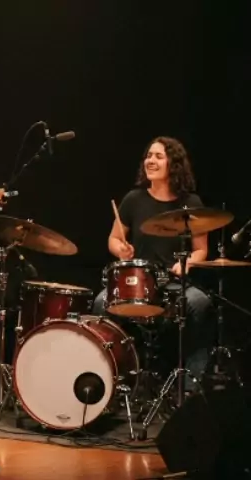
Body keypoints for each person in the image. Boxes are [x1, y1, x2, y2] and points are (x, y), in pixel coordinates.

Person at [92, 136, 214, 393]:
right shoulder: (133, 199)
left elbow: (201, 250)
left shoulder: (190, 203)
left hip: (175, 282)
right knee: (102, 302)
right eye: (148, 156)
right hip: (138, 281)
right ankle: (112, 381)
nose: (150, 160)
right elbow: (114, 239)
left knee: (201, 303)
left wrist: (187, 264)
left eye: (158, 156)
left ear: (174, 164)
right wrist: (121, 250)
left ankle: (190, 387)